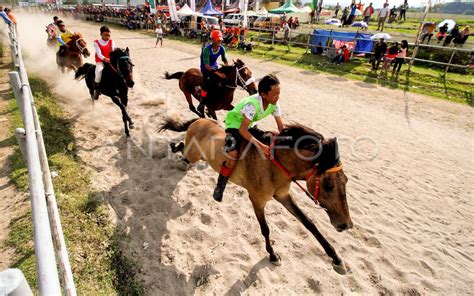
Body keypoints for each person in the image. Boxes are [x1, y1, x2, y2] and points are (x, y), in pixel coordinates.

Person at [213, 74, 284, 202]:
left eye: (279, 94)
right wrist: (261, 146)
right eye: (275, 94)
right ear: (263, 95)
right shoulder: (252, 105)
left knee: (272, 137)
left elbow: (281, 127)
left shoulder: (274, 103)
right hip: (235, 125)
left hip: (249, 125)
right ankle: (220, 186)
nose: (277, 97)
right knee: (233, 155)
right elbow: (242, 130)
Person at [200, 30, 229, 99]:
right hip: (205, 68)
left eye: (220, 40)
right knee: (206, 84)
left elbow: (224, 59)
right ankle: (202, 101)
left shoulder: (222, 49)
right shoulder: (206, 50)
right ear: (213, 39)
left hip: (214, 66)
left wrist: (228, 67)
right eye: (217, 40)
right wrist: (216, 72)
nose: (219, 41)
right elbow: (207, 66)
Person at [92, 26, 116, 100]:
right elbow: (99, 54)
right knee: (98, 72)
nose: (107, 37)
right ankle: (96, 90)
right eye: (106, 35)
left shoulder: (111, 41)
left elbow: (114, 50)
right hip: (101, 61)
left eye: (109, 35)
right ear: (101, 34)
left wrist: (113, 59)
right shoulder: (96, 42)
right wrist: (105, 59)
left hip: (111, 61)